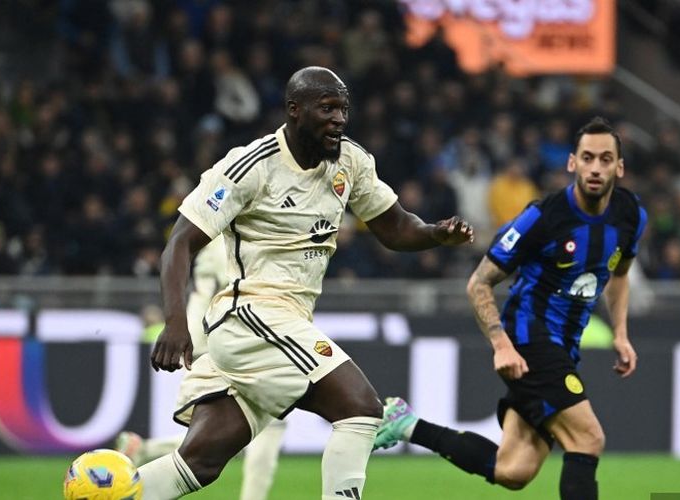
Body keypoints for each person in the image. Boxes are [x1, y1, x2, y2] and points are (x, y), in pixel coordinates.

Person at [138, 66, 475, 500]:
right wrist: (174, 321)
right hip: (251, 315)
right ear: (295, 111)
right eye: (328, 108)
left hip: (282, 321)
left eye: (344, 109)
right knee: (362, 410)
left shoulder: (350, 161)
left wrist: (435, 234)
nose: (339, 119)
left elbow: (394, 228)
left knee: (200, 461)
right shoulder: (251, 167)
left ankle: (115, 493)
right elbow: (180, 242)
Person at [374, 117, 647, 500]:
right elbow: (479, 283)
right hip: (529, 336)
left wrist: (620, 333)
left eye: (605, 159)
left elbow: (619, 273)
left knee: (513, 469)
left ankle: (405, 425)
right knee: (588, 438)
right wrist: (501, 343)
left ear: (619, 167)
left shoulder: (630, 214)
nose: (596, 168)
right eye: (588, 157)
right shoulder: (543, 217)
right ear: (572, 163)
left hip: (564, 346)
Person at [116, 236, 287, 500]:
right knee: (268, 423)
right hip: (232, 337)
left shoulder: (219, 236)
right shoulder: (242, 239)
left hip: (209, 335)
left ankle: (146, 449)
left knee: (234, 427)